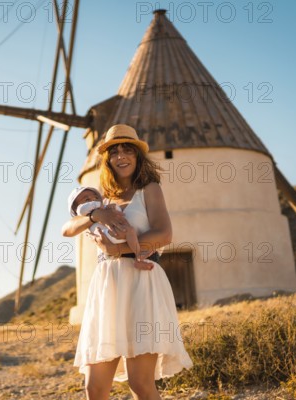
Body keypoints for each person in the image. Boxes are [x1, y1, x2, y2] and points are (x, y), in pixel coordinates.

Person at [62, 124, 193, 400]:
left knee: (140, 384)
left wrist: (117, 248)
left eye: (127, 150)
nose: (121, 156)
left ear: (137, 155)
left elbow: (164, 234)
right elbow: (68, 228)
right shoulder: (101, 198)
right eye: (114, 151)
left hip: (142, 283)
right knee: (95, 388)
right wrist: (97, 216)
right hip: (107, 287)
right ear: (107, 159)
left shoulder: (150, 189)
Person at [67, 186, 145, 259]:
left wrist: (112, 207)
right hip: (106, 234)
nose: (93, 199)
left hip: (108, 235)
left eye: (96, 197)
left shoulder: (100, 207)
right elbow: (83, 209)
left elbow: (116, 211)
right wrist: (99, 206)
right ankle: (139, 254)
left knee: (129, 231)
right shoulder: (85, 210)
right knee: (129, 231)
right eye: (87, 199)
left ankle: (138, 254)